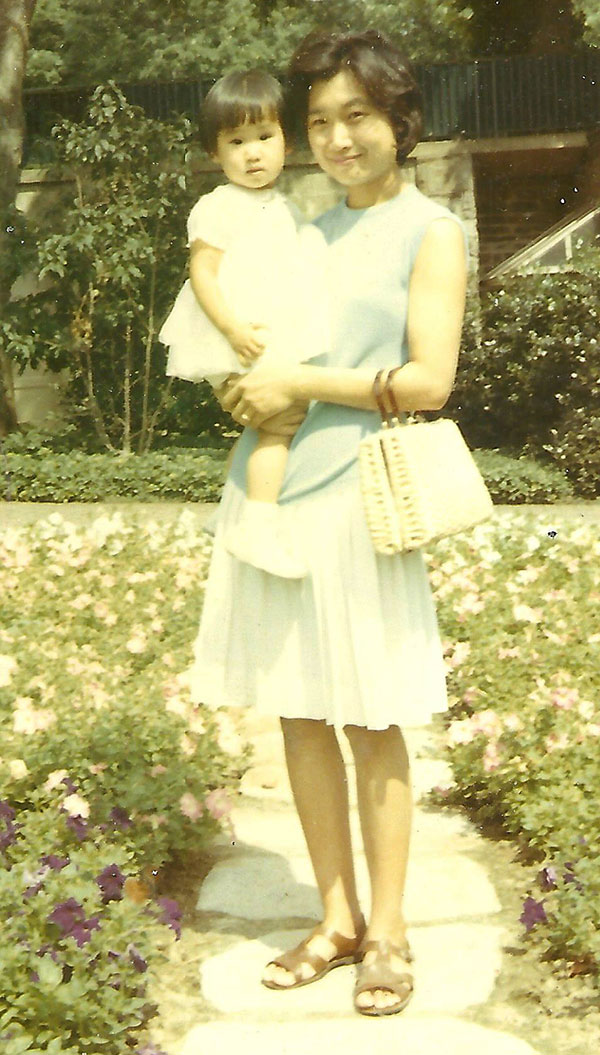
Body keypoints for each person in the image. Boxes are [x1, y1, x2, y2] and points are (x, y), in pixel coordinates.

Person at [188, 29, 467, 1016]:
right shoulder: (304, 226)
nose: (338, 137)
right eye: (320, 121)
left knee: (372, 715)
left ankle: (388, 930)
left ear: (399, 117)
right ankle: (336, 916)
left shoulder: (431, 229)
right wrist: (246, 393)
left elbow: (429, 378)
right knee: (300, 712)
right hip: (275, 494)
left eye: (356, 115)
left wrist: (297, 381)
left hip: (362, 496)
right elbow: (256, 339)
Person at [159, 69, 329, 578]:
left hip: (265, 334)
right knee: (279, 425)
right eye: (236, 142)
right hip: (233, 338)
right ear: (215, 152)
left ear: (285, 141)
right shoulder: (217, 206)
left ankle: (232, 513)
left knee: (274, 423)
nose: (253, 153)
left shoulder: (285, 205)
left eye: (264, 137)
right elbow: (203, 275)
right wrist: (232, 329)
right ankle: (256, 524)